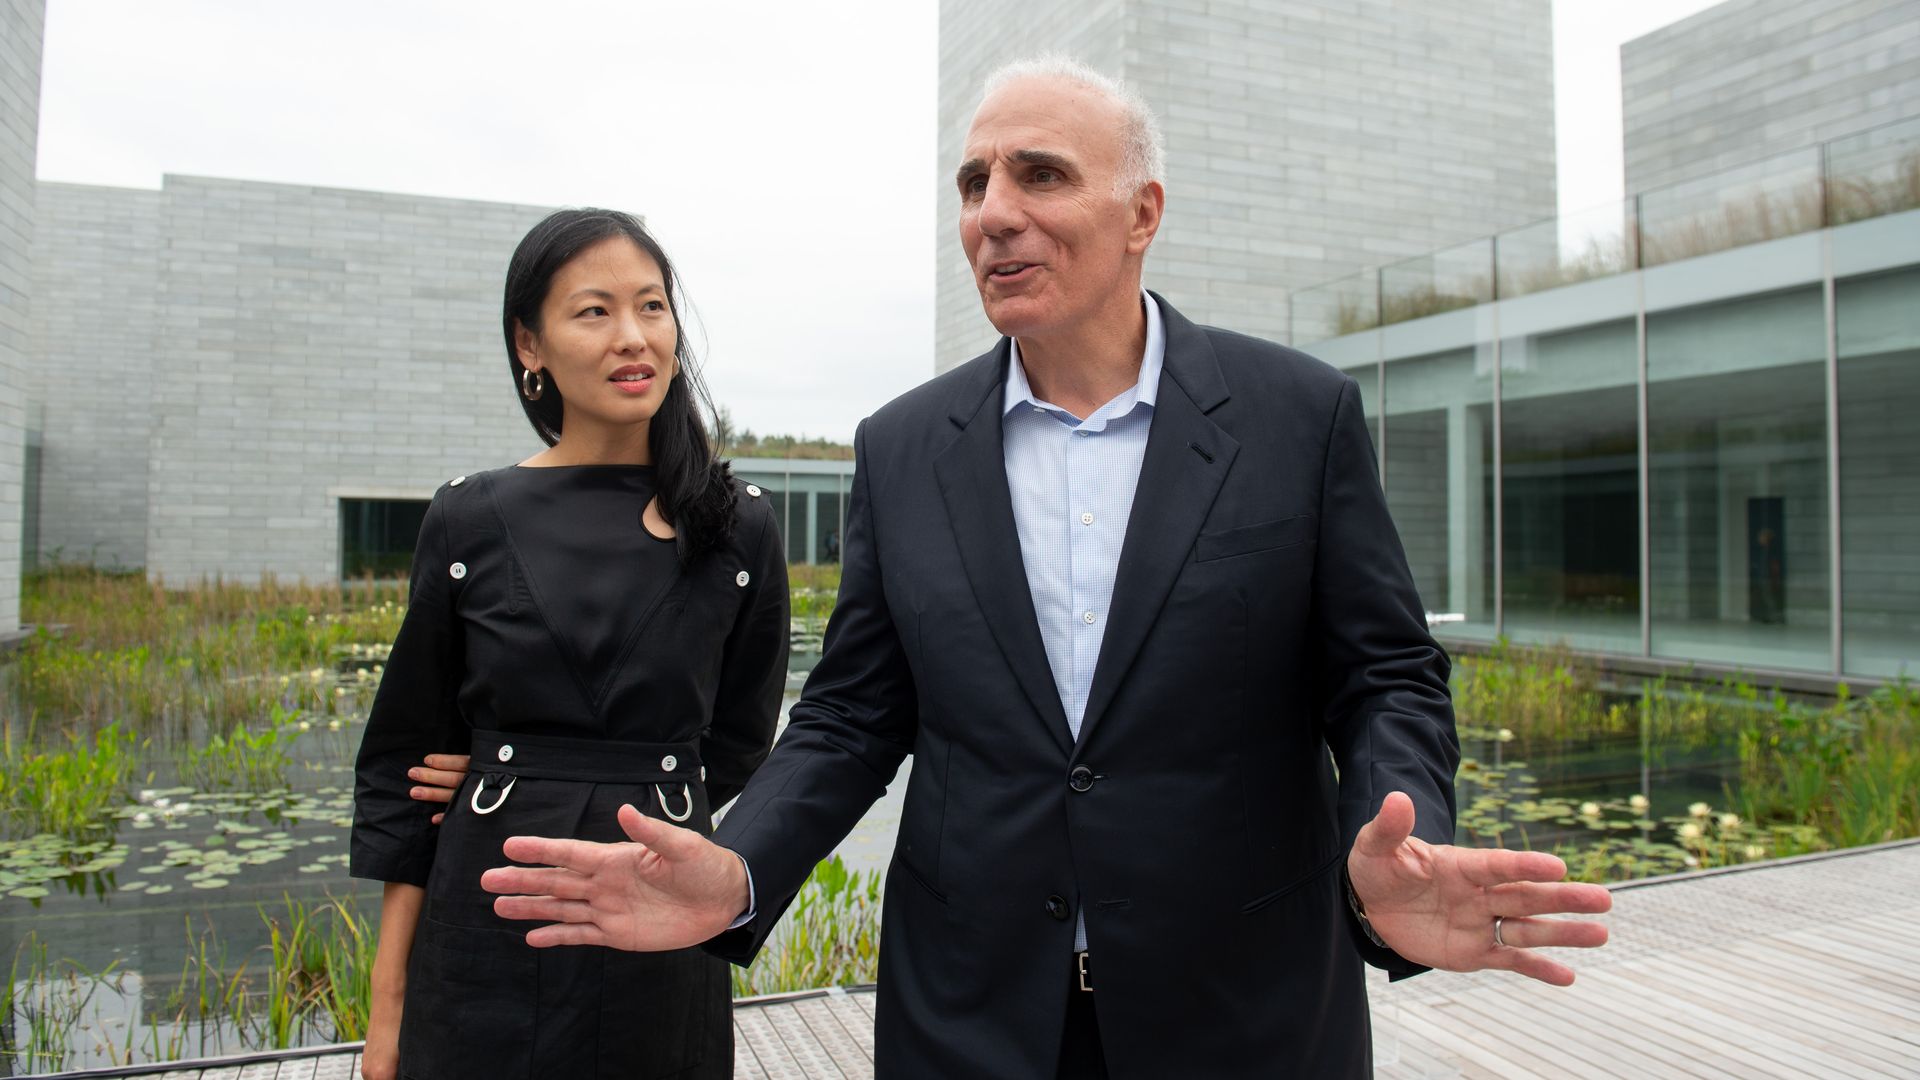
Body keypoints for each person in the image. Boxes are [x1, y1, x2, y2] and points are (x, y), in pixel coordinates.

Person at [466, 59, 1613, 1078]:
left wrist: (1395, 841)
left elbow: (1386, 676)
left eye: (1041, 177)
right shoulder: (903, 446)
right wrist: (741, 864)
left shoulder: (1296, 417)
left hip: (1246, 1011)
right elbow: (854, 716)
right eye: (973, 185)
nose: (995, 216)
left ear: (1141, 213)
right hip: (970, 1019)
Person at [349, 208, 788, 1080]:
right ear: (530, 344)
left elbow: (739, 747)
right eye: (594, 312)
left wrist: (599, 779)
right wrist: (385, 1016)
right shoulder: (468, 517)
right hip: (486, 911)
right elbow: (404, 780)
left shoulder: (738, 527)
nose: (633, 337)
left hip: (660, 912)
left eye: (652, 307)